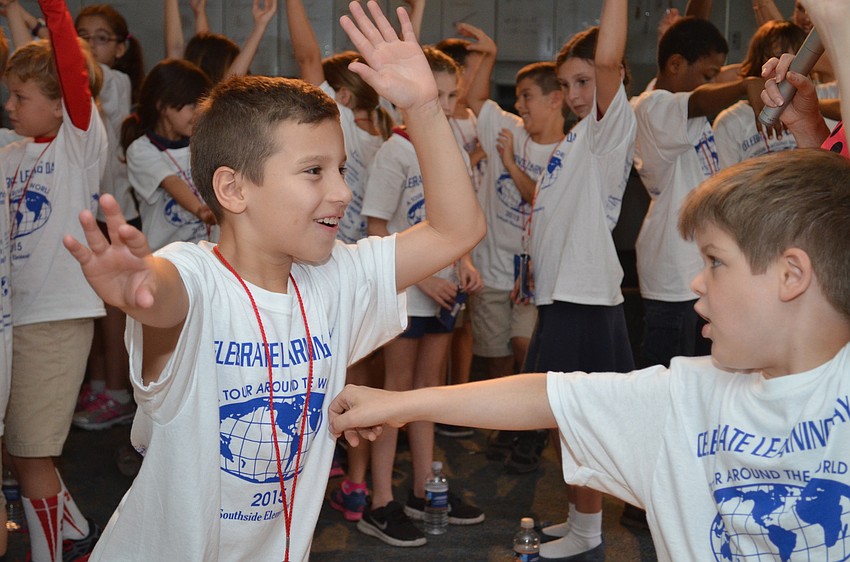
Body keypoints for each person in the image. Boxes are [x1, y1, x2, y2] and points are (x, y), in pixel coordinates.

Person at [63, 1, 485, 559]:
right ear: (234, 189)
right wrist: (141, 290)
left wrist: (425, 108)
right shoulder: (197, 276)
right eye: (314, 171)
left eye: (340, 169)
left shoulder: (336, 278)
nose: (341, 191)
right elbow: (167, 293)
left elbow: (458, 229)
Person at [330, 147, 850, 562]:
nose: (697, 281)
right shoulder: (687, 395)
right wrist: (398, 403)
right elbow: (544, 397)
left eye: (715, 261)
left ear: (791, 275)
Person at [499, 0, 635, 558]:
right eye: (566, 84)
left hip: (586, 300)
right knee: (565, 421)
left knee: (580, 422)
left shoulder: (607, 129)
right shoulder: (576, 139)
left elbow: (607, 62)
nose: (576, 93)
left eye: (584, 81)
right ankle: (582, 522)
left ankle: (589, 533)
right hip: (561, 297)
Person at [357, 46, 484, 549]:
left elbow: (460, 222)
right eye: (438, 94)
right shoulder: (394, 152)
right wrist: (421, 277)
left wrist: (465, 263)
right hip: (406, 294)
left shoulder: (451, 147)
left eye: (452, 95)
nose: (445, 105)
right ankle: (380, 501)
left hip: (445, 293)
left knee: (430, 389)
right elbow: (375, 228)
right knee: (396, 393)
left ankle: (422, 491)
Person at [1, 0, 108, 560]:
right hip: (13, 320)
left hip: (57, 317)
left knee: (32, 452)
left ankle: (52, 554)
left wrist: (55, 13)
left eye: (20, 97)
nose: (9, 106)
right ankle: (75, 531)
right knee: (18, 448)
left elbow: (72, 72)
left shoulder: (77, 146)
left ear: (59, 103)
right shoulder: (11, 152)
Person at [284, 0, 394, 523]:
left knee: (331, 380)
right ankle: (356, 484)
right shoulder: (381, 133)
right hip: (364, 269)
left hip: (332, 267)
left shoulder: (340, 123)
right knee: (362, 382)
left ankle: (331, 471)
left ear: (342, 97)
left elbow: (308, 57)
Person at [454, 23, 563, 458]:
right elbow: (478, 99)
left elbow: (540, 198)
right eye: (517, 97)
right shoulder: (510, 129)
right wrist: (489, 54)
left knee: (525, 347)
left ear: (555, 99)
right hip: (493, 265)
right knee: (495, 354)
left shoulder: (569, 148)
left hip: (535, 274)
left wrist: (510, 164)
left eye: (527, 96)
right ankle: (510, 425)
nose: (519, 105)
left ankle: (531, 427)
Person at [631, 16, 763, 370]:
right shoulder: (650, 107)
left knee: (706, 375)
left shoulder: (680, 108)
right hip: (674, 281)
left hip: (698, 277)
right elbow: (701, 100)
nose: (714, 82)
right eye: (708, 74)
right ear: (675, 64)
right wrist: (744, 86)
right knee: (669, 379)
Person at [71, 3, 146, 431]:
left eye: (100, 38)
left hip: (115, 214)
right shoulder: (80, 83)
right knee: (94, 307)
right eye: (81, 36)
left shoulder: (115, 81)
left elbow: (86, 77)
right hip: (89, 211)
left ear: (120, 48)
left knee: (114, 309)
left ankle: (117, 392)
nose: (89, 44)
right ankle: (99, 384)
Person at [120, 58, 215, 252]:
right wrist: (200, 210)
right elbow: (171, 182)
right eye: (192, 106)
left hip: (207, 254)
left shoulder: (204, 141)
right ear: (163, 106)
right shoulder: (141, 150)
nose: (199, 113)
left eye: (202, 105)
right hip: (167, 257)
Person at [713, 21, 806, 169]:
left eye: (796, 61)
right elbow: (724, 180)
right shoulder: (730, 121)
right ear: (759, 62)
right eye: (778, 59)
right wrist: (749, 84)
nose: (787, 70)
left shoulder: (818, 105)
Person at [164, 0, 277, 84]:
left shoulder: (209, 102)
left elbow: (198, 51)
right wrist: (260, 26)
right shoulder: (210, 100)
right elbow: (228, 82)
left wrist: (199, 13)